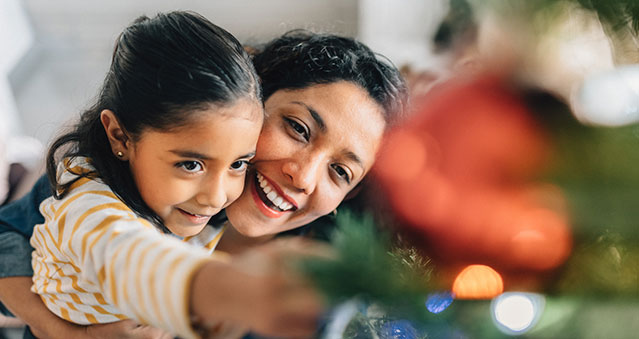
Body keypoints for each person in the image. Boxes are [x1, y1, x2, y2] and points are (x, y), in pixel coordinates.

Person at [0, 29, 408, 338]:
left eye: (340, 172)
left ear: (349, 196)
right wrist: (62, 331)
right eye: (298, 129)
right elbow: (37, 237)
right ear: (253, 96)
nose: (302, 176)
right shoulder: (115, 178)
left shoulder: (323, 293)